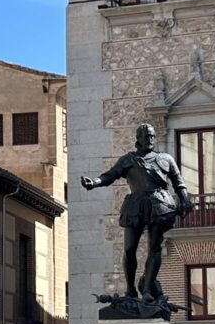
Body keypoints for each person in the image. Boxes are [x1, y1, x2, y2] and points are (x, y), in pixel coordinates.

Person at [81, 122, 192, 301]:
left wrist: (185, 199)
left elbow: (179, 183)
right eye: (145, 136)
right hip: (135, 206)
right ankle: (131, 289)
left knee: (154, 248)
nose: (149, 139)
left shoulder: (166, 159)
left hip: (160, 205)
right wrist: (94, 182)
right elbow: (109, 176)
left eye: (152, 136)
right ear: (138, 138)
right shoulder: (128, 159)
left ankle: (147, 289)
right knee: (129, 248)